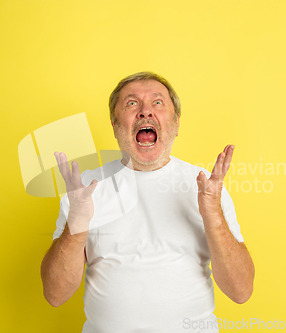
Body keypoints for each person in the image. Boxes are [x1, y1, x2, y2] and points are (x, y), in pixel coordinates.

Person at [40, 72, 255, 333]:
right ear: (114, 123)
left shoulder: (206, 187)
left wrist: (213, 214)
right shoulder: (84, 189)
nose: (145, 112)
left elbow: (241, 291)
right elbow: (55, 294)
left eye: (157, 103)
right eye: (132, 103)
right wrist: (77, 221)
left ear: (176, 123)